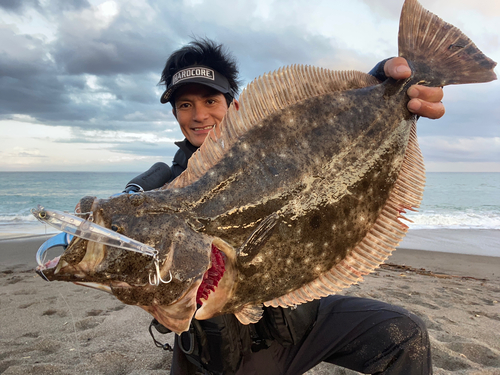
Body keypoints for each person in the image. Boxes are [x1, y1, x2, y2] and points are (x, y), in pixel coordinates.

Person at [130, 38, 444, 375]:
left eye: (210, 100)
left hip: (298, 321)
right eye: (185, 105)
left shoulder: (271, 152)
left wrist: (383, 87)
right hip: (222, 351)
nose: (199, 115)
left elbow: (324, 142)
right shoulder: (162, 191)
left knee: (406, 334)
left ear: (231, 103)